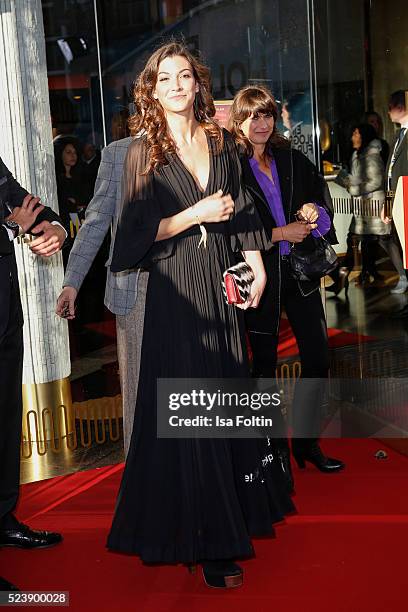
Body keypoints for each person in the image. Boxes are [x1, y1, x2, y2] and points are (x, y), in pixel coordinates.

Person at [106, 42, 295, 589]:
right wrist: (193, 213)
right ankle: (207, 542)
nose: (176, 85)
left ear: (197, 83)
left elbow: (241, 209)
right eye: (164, 78)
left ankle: (224, 523)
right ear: (152, 89)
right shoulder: (144, 153)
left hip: (220, 289)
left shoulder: (220, 141)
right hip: (176, 297)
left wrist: (256, 266)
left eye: (184, 75)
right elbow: (134, 238)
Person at [228, 84, 344, 482]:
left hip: (300, 274)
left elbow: (322, 207)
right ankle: (271, 449)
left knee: (317, 358)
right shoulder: (231, 168)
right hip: (260, 277)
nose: (260, 124)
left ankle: (306, 444)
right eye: (251, 116)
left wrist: (315, 212)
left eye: (266, 115)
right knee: (264, 367)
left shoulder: (293, 159)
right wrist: (280, 233)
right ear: (239, 122)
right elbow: (230, 227)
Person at [56, 135, 147, 454]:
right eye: (163, 81)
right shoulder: (118, 153)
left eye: (183, 79)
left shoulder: (202, 148)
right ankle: (142, 478)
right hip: (134, 288)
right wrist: (72, 282)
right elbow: (94, 223)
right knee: (139, 392)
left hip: (191, 285)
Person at [0, 157, 66, 591]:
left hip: (4, 313)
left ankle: (2, 517)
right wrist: (10, 226)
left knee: (5, 420)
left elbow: (18, 197)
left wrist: (53, 226)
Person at [330, 123, 406, 294]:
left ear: (364, 135)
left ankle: (403, 276)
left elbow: (376, 181)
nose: (352, 137)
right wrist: (348, 180)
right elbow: (361, 179)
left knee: (385, 240)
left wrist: (352, 187)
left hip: (373, 206)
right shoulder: (359, 155)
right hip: (363, 208)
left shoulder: (371, 156)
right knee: (354, 239)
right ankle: (341, 278)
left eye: (356, 134)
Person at [382, 90, 408, 316]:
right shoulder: (398, 135)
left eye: (391, 106)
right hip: (397, 201)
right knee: (397, 242)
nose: (388, 111)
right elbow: (390, 174)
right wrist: (388, 204)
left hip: (406, 201)